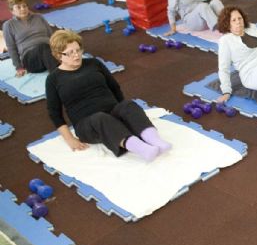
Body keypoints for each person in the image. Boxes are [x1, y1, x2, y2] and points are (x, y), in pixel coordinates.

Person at [45, 30, 171, 162]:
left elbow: (114, 87)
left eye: (78, 50)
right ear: (59, 55)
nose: (76, 55)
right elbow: (54, 113)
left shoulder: (94, 63)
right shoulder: (53, 79)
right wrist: (70, 139)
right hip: (88, 125)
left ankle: (156, 141)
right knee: (101, 118)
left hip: (112, 113)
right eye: (70, 53)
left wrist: (124, 114)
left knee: (128, 105)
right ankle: (143, 149)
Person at [3, 0, 58, 78]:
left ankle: (59, 68)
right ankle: (58, 76)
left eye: (24, 6)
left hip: (48, 53)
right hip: (30, 60)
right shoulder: (8, 25)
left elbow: (51, 36)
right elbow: (11, 48)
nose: (23, 9)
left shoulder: (38, 17)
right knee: (42, 47)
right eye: (18, 7)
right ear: (12, 11)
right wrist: (19, 67)